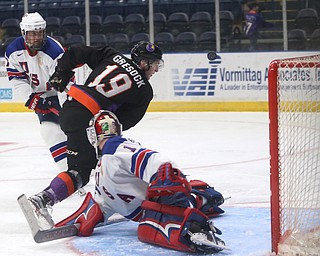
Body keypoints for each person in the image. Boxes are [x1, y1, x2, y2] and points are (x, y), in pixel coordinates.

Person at [27, 41, 164, 229]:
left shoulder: (112, 55)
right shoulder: (145, 91)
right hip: (87, 119)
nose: (156, 69)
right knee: (81, 172)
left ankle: (105, 199)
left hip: (70, 107)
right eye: (155, 63)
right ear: (143, 63)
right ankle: (42, 200)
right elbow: (122, 121)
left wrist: (62, 73)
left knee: (98, 160)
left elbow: (76, 51)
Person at [54, 110, 226, 253]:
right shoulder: (103, 163)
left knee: (150, 228)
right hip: (151, 210)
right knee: (148, 226)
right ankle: (201, 198)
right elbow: (107, 199)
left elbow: (153, 160)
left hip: (162, 202)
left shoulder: (116, 147)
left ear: (92, 135)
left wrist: (163, 173)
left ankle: (199, 209)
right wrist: (96, 212)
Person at [5, 12, 68, 170]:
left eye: (39, 33)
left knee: (75, 129)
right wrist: (30, 98)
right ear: (23, 33)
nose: (36, 38)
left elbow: (64, 84)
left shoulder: (54, 51)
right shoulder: (13, 51)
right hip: (41, 96)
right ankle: (69, 171)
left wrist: (68, 109)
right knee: (49, 131)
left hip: (63, 93)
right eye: (32, 34)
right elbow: (17, 79)